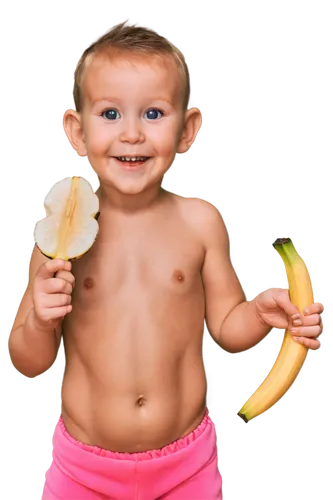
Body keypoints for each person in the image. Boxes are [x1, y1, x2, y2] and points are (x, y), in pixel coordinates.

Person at [7, 18, 325, 500]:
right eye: (110, 114)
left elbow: (227, 331)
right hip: (84, 468)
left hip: (187, 464)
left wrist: (260, 313)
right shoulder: (61, 233)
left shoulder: (199, 222)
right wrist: (40, 320)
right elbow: (29, 362)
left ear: (188, 129)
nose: (132, 134)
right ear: (74, 130)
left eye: (153, 114)